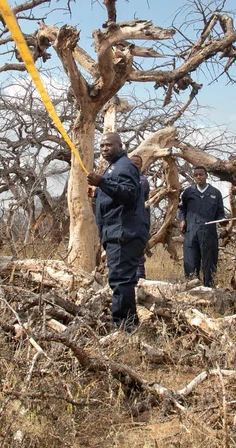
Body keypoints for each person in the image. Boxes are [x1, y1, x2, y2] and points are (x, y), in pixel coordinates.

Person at [87, 133, 145, 331]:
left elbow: (129, 194)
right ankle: (128, 323)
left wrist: (102, 183)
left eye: (109, 145)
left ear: (120, 145)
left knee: (121, 280)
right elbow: (115, 195)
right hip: (113, 232)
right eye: (101, 145)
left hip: (124, 232)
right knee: (119, 279)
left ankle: (125, 328)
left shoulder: (125, 166)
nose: (104, 148)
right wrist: (99, 191)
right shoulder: (113, 167)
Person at [178, 165, 225, 287]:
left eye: (201, 174)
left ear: (206, 176)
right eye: (196, 175)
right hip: (191, 232)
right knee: (190, 262)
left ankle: (209, 290)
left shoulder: (215, 193)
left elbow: (220, 213)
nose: (198, 177)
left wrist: (223, 222)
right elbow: (182, 209)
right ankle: (192, 291)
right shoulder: (188, 192)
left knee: (209, 263)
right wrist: (182, 220)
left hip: (209, 232)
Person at [130, 155, 151, 281]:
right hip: (125, 222)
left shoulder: (142, 180)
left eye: (137, 163)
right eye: (132, 163)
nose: (134, 165)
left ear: (141, 166)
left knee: (137, 253)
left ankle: (140, 281)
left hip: (139, 222)